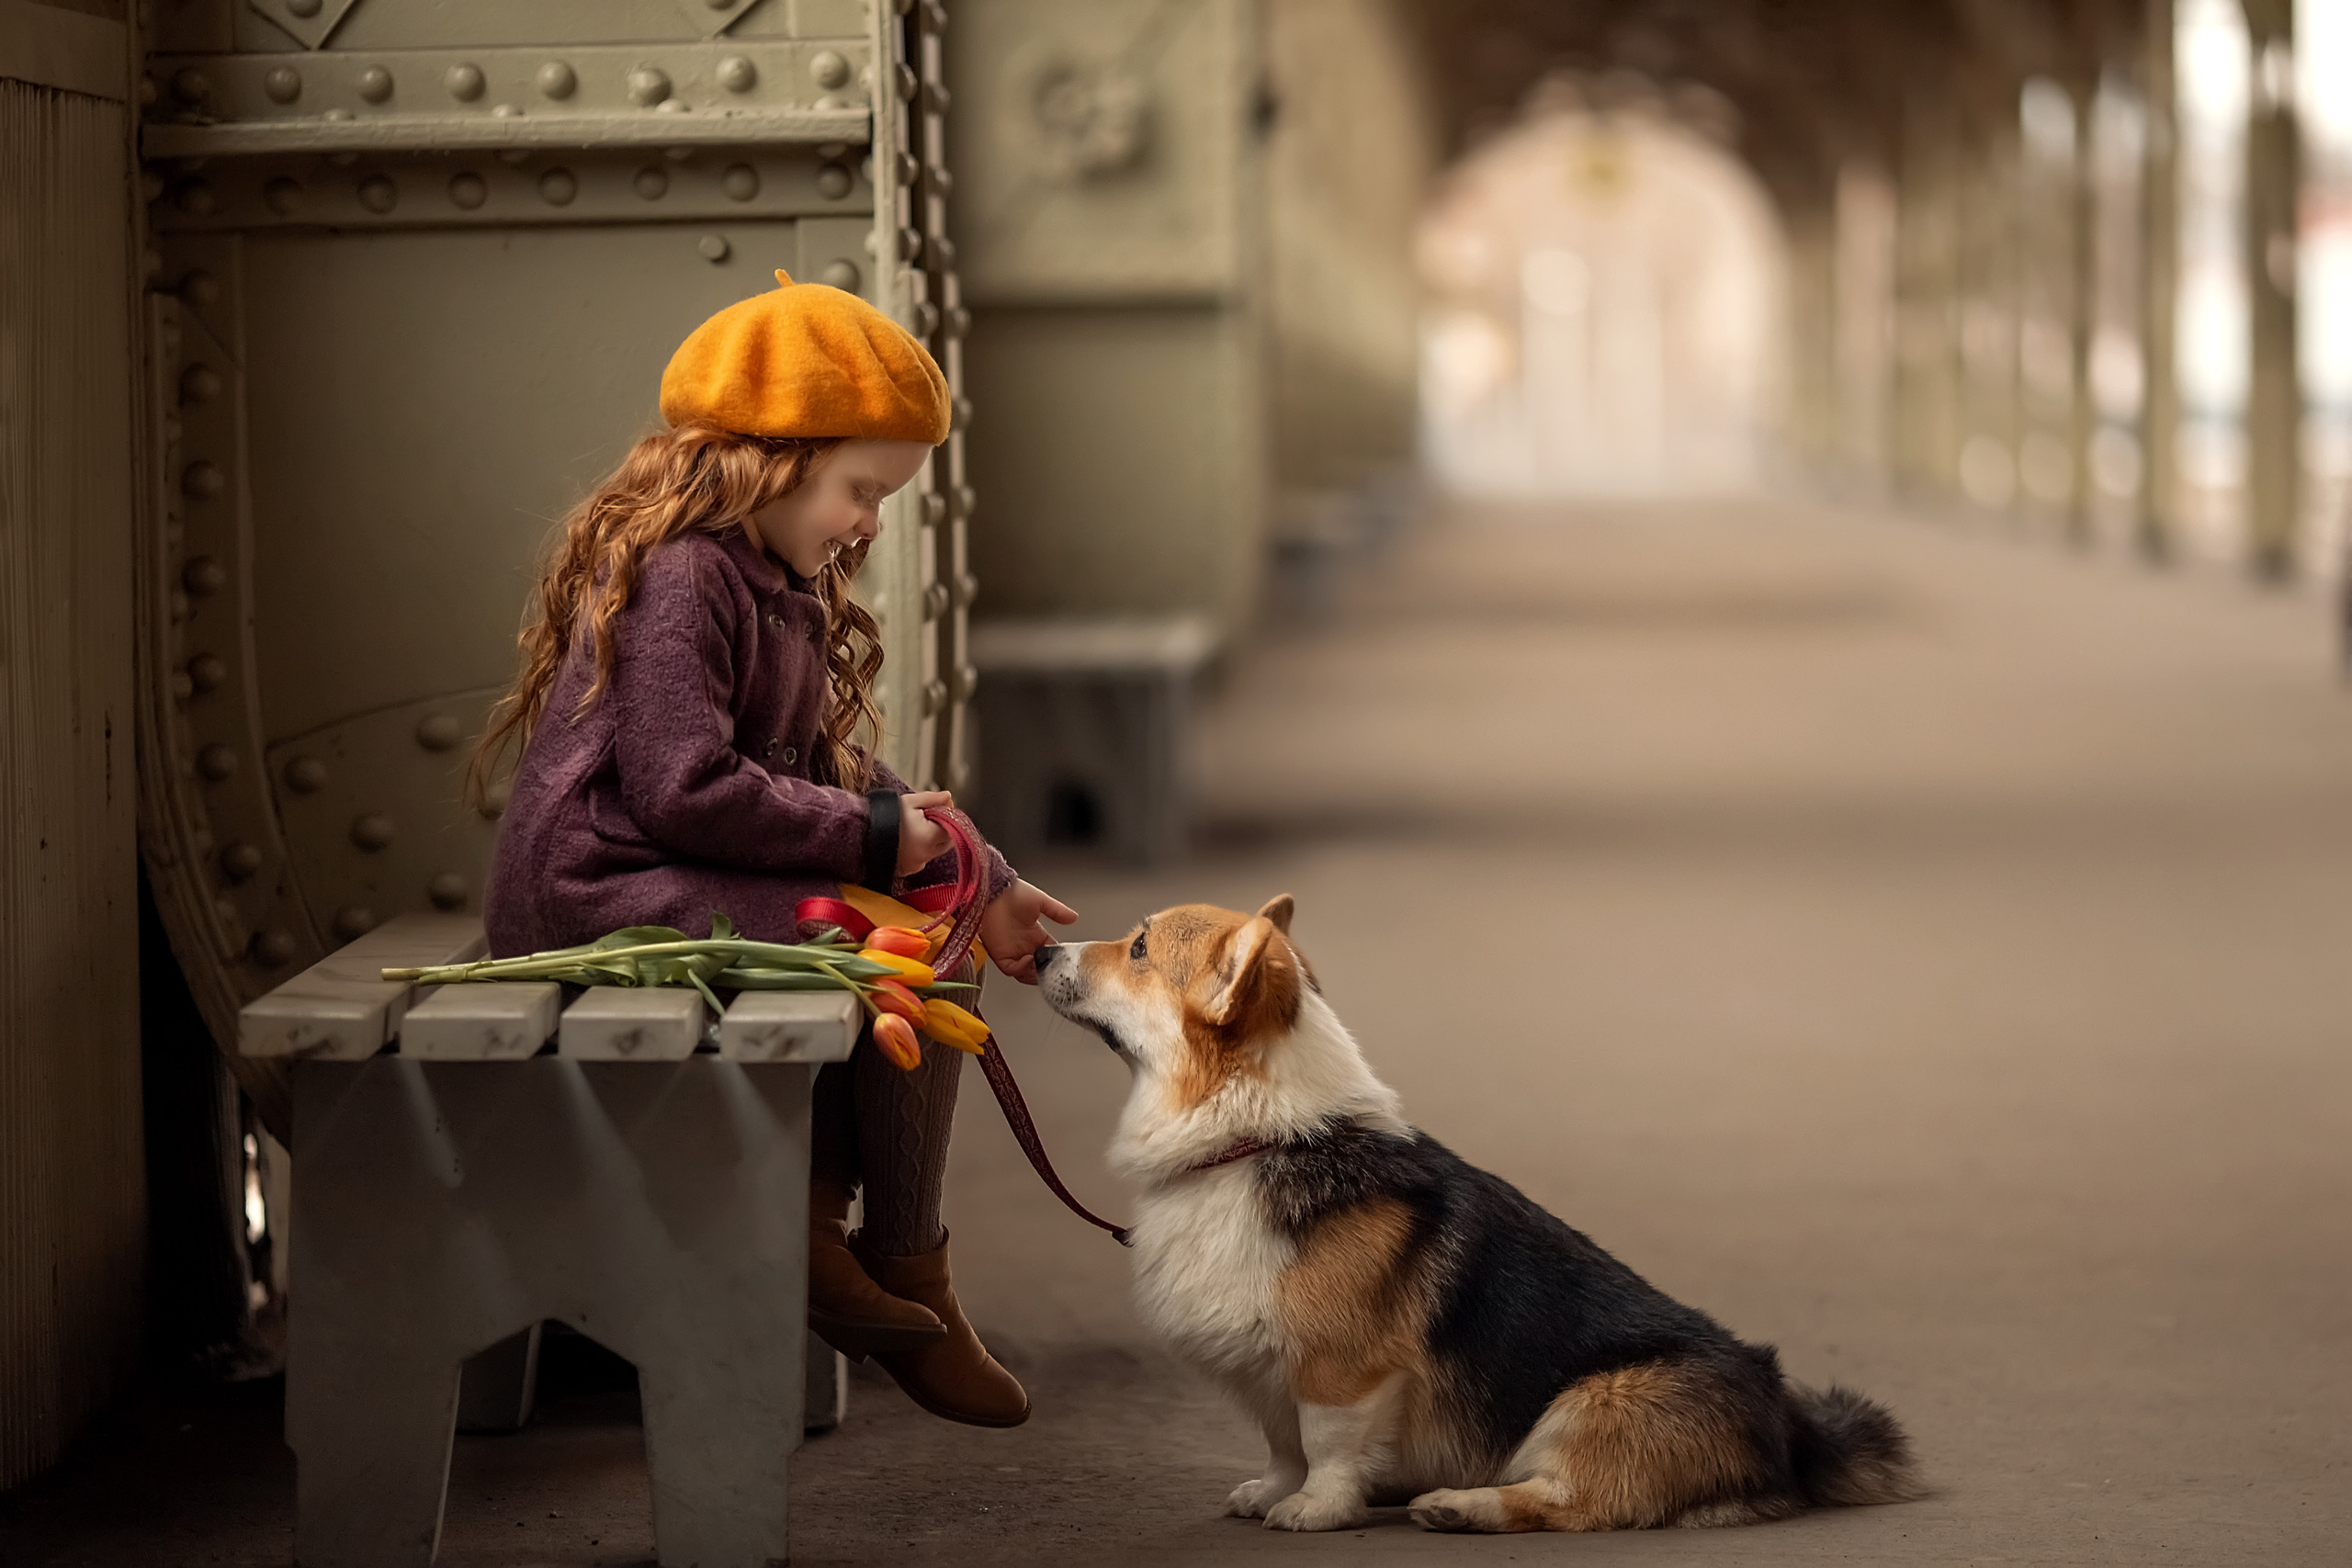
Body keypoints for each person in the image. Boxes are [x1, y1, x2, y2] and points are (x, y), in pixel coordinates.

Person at [472, 270, 1076, 1427]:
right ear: (772, 457)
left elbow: (820, 770)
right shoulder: (683, 574)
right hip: (598, 885)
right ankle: (898, 1265)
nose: (871, 522)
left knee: (925, 933)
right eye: (861, 488)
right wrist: (883, 841)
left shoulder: (766, 576)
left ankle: (840, 1241)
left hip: (662, 870)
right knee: (905, 948)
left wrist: (978, 871)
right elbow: (684, 790)